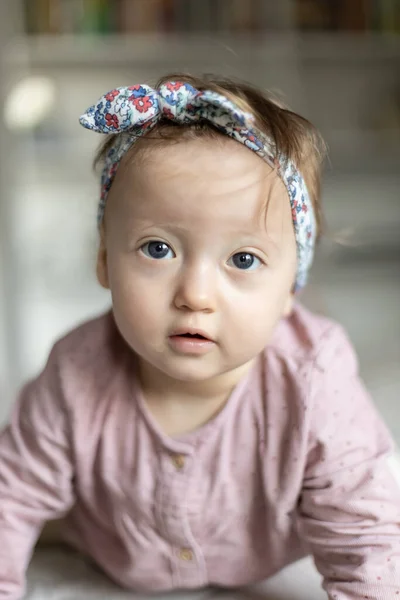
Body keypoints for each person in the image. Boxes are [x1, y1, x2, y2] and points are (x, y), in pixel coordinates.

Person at [0, 73, 399, 600]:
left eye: (243, 259)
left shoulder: (314, 379)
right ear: (103, 259)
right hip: (109, 544)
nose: (196, 294)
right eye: (157, 249)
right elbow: (12, 494)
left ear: (290, 290)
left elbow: (367, 534)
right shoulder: (77, 370)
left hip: (265, 556)